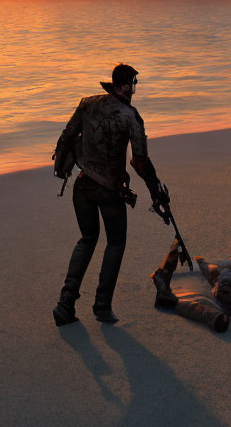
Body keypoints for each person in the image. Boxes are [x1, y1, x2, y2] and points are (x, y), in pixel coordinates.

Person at [52, 63, 169, 326]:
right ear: (126, 85)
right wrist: (156, 191)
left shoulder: (87, 103)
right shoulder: (131, 116)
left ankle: (65, 304)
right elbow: (139, 162)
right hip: (108, 190)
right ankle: (102, 307)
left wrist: (63, 169)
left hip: (82, 185)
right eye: (134, 84)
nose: (135, 90)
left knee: (87, 239)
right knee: (115, 242)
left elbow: (66, 137)